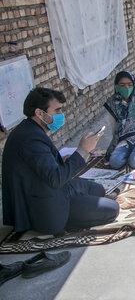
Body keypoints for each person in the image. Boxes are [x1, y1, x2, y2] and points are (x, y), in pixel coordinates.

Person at [1, 87, 120, 235]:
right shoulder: (31, 139)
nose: (61, 115)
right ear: (39, 113)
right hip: (45, 206)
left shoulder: (29, 130)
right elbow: (56, 179)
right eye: (57, 111)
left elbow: (40, 167)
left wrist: (62, 161)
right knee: (112, 209)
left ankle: (82, 203)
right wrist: (82, 150)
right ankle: (69, 218)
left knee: (98, 189)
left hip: (47, 188)